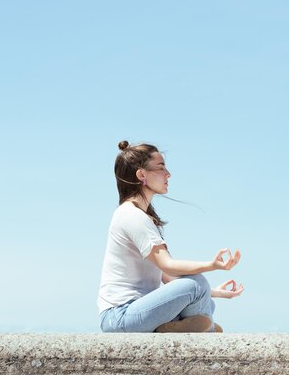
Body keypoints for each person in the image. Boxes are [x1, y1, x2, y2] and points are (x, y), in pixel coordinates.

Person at [98, 141, 244, 333]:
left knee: (203, 294)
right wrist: (213, 265)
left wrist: (214, 292)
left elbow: (167, 276)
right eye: (161, 167)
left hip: (133, 314)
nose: (168, 174)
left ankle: (184, 328)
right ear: (142, 175)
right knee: (197, 285)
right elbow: (167, 265)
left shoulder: (137, 215)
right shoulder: (132, 216)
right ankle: (205, 333)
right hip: (121, 316)